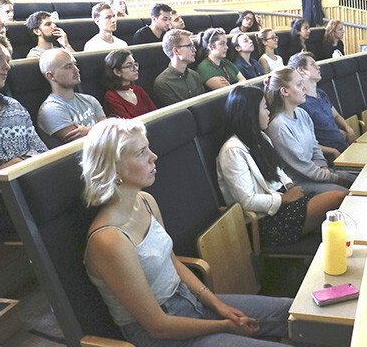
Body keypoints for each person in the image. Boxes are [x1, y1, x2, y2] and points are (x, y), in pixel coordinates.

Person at [81, 118, 293, 347]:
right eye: (142, 153)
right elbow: (157, 326)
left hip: (189, 302)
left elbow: (172, 261)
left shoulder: (146, 201)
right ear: (114, 168)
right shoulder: (109, 240)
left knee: (294, 311)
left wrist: (217, 304)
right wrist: (225, 325)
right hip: (161, 335)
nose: (154, 156)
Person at [217, 86, 347, 247]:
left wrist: (292, 188)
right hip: (267, 220)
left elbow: (279, 171)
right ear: (250, 113)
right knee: (339, 197)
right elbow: (246, 201)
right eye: (264, 108)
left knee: (336, 215)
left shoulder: (261, 137)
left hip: (284, 203)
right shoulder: (232, 151)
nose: (268, 113)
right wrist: (284, 199)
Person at [0, 34, 47, 238]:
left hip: (32, 188)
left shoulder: (15, 108)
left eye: (7, 60)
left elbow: (41, 151)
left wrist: (19, 162)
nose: (7, 66)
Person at [265, 66, 356, 193]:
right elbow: (302, 166)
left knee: (356, 180)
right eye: (298, 84)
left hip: (316, 173)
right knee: (345, 192)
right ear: (285, 91)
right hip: (300, 182)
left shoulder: (302, 113)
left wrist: (323, 166)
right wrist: (331, 176)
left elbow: (315, 146)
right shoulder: (279, 126)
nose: (304, 88)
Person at [289, 52, 356, 157]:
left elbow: (336, 115)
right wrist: (333, 151)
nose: (318, 67)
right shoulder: (301, 103)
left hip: (343, 146)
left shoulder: (321, 93)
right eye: (313, 64)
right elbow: (308, 143)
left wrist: (348, 129)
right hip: (329, 156)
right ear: (301, 70)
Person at [37, 49, 106, 145]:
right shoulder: (50, 109)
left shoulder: (90, 99)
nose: (76, 70)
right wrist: (100, 130)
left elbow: (109, 132)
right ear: (51, 76)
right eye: (68, 67)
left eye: (75, 65)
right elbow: (79, 143)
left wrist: (88, 131)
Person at [154, 29, 205, 107]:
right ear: (176, 51)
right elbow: (177, 114)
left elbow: (203, 104)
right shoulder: (163, 83)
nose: (194, 50)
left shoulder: (195, 75)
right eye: (189, 46)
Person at [102, 49, 156, 118]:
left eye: (135, 64)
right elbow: (128, 125)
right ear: (117, 72)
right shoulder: (111, 96)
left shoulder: (138, 90)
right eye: (129, 66)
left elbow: (155, 113)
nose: (135, 68)